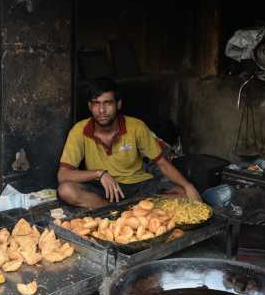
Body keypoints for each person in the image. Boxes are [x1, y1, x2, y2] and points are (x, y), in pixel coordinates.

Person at [57, 78, 201, 209]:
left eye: (108, 102)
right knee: (66, 190)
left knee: (184, 194)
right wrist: (99, 173)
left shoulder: (136, 127)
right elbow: (63, 175)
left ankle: (125, 208)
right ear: (90, 106)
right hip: (102, 187)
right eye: (96, 103)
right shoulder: (79, 131)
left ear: (118, 104)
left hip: (138, 186)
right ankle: (126, 209)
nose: (102, 110)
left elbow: (162, 164)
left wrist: (188, 186)